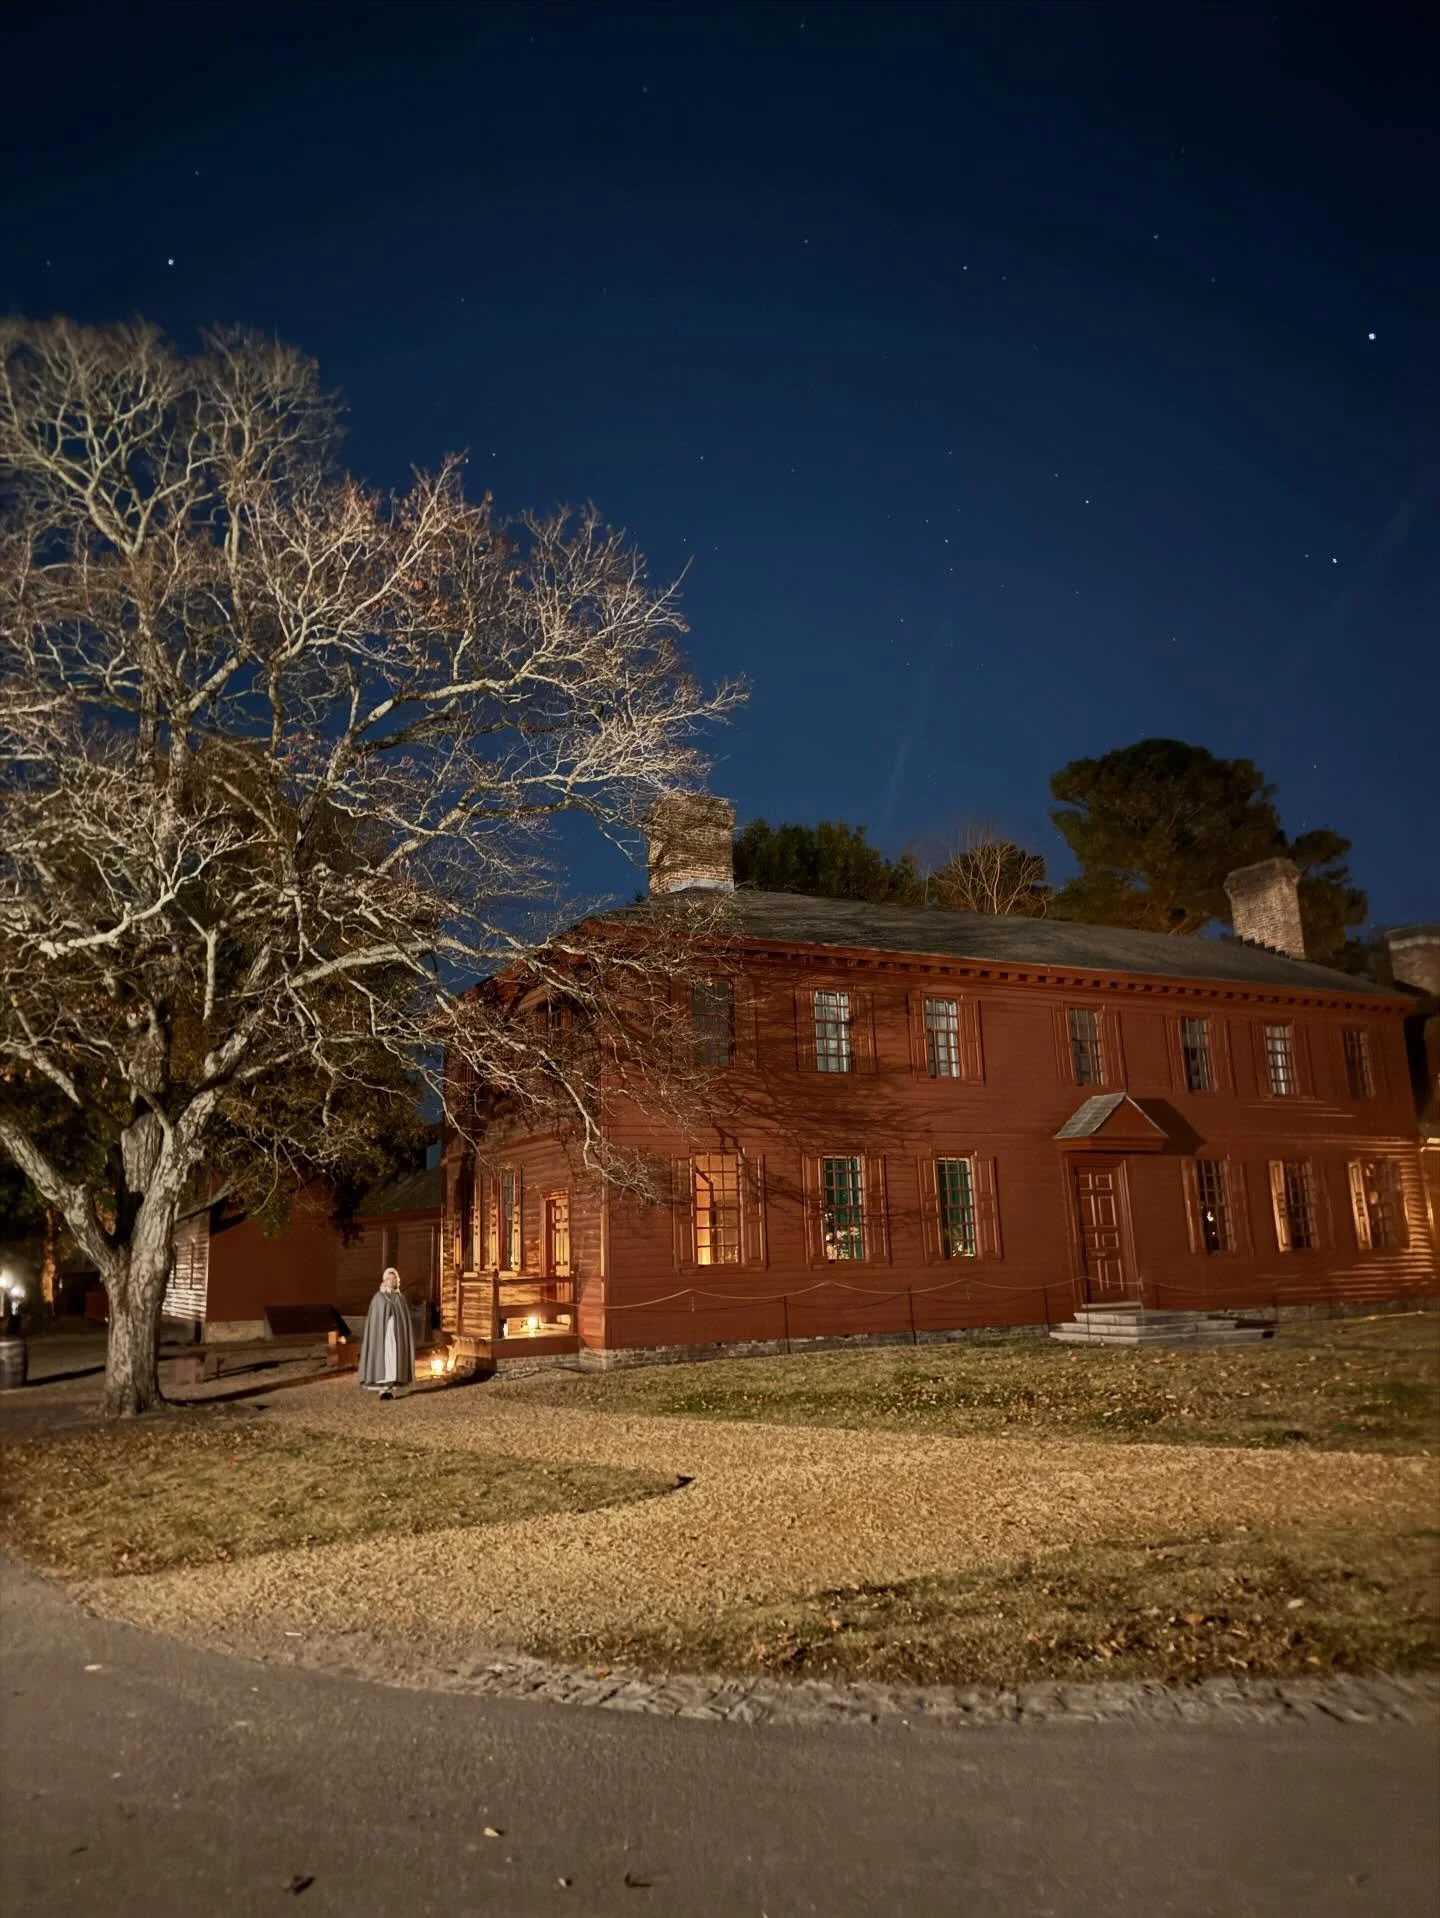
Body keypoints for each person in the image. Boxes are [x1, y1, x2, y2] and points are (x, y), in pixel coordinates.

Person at [359, 1266, 415, 1399]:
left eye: (394, 1278)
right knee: (383, 1359)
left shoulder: (400, 1298)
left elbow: (404, 1320)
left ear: (397, 1281)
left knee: (394, 1360)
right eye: (389, 1278)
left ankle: (388, 1388)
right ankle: (382, 1390)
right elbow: (374, 1321)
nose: (391, 1281)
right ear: (384, 1280)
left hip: (396, 1336)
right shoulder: (378, 1298)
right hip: (382, 1336)